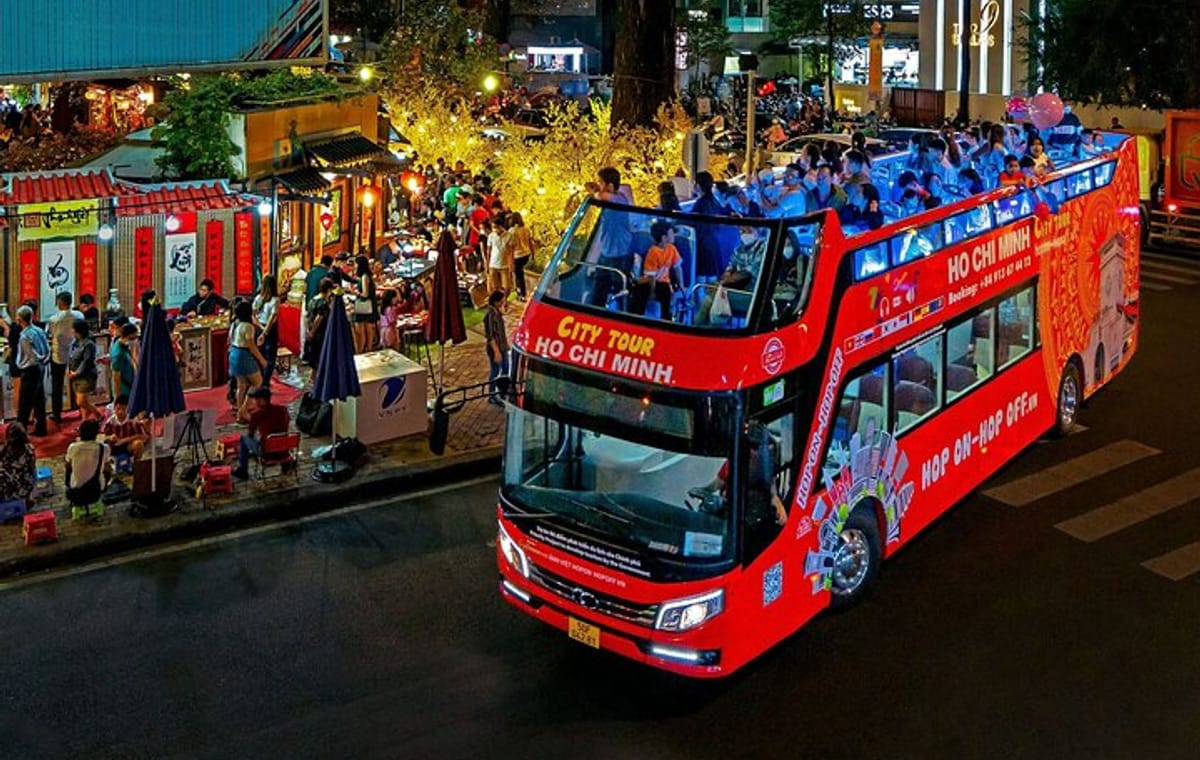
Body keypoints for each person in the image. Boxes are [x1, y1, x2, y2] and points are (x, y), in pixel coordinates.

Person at [585, 167, 634, 307]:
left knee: (621, 294)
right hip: (607, 253)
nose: (599, 186)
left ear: (610, 186)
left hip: (621, 254)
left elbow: (601, 196)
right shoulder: (609, 201)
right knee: (598, 292)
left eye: (601, 182)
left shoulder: (620, 199)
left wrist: (595, 192)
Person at [231, 386, 291, 480]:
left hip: (267, 453)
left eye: (256, 399)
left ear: (262, 400)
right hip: (284, 451)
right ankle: (285, 465)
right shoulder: (282, 410)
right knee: (278, 437)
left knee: (243, 440)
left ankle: (243, 470)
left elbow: (250, 433)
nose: (254, 401)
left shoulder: (257, 414)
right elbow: (286, 424)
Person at [630, 220, 683, 320]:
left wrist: (681, 285)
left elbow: (678, 268)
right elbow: (651, 277)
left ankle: (666, 320)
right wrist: (652, 293)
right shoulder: (653, 252)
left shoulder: (672, 249)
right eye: (671, 233)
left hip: (663, 282)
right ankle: (635, 319)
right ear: (664, 238)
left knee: (666, 294)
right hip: (649, 282)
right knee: (640, 293)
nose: (674, 235)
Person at [47, 291, 84, 423]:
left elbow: (50, 335)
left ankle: (57, 414)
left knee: (57, 385)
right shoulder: (79, 315)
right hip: (76, 353)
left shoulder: (54, 319)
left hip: (59, 355)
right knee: (77, 382)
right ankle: (80, 409)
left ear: (60, 303)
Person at [229, 300, 267, 424]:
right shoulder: (248, 326)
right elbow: (251, 346)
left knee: (242, 385)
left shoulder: (235, 323)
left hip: (234, 353)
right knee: (257, 382)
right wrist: (262, 360)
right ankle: (243, 410)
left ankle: (240, 413)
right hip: (243, 354)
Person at [14, 305, 49, 437]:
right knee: (39, 399)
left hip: (30, 369)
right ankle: (41, 427)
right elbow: (47, 349)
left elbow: (31, 355)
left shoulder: (24, 336)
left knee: (25, 402)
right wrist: (44, 360)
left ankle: (20, 431)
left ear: (19, 319)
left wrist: (38, 359)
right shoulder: (39, 330)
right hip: (40, 368)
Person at [65, 418, 108, 508]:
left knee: (69, 467)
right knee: (107, 468)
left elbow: (68, 465)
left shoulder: (73, 447)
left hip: (75, 492)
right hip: (95, 492)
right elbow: (106, 467)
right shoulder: (104, 448)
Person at [67, 318, 101, 422]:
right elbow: (71, 356)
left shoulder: (88, 344)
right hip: (74, 374)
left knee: (81, 401)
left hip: (86, 376)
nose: (71, 330)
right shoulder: (75, 341)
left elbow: (86, 362)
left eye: (73, 328)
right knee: (82, 400)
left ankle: (97, 413)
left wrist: (76, 373)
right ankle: (84, 421)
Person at [102, 394, 148, 460]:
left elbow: (142, 435)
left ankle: (136, 464)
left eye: (123, 409)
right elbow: (104, 436)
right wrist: (110, 437)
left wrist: (124, 440)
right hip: (115, 446)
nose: (120, 412)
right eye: (118, 409)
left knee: (139, 444)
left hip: (128, 446)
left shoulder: (133, 420)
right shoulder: (110, 421)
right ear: (114, 408)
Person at [253, 274, 280, 384]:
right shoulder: (275, 300)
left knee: (259, 355)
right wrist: (264, 333)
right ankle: (265, 382)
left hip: (258, 328)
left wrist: (260, 328)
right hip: (269, 330)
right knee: (270, 357)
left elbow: (253, 316)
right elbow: (272, 318)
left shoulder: (258, 298)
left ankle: (259, 380)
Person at [0, 422, 36, 506]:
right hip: (28, 484)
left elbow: (8, 473)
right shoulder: (29, 448)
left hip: (13, 489)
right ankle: (27, 498)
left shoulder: (9, 453)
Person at [483, 290, 509, 405]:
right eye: (502, 300)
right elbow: (490, 336)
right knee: (495, 371)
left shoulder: (497, 312)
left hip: (502, 346)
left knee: (505, 369)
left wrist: (506, 343)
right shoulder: (490, 315)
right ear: (496, 301)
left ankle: (503, 391)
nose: (504, 302)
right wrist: (496, 352)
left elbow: (501, 331)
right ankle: (492, 394)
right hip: (496, 348)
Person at [303, 277, 335, 372]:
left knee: (313, 357)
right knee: (319, 357)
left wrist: (309, 330)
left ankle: (313, 379)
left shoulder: (313, 299)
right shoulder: (323, 303)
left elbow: (308, 316)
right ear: (329, 290)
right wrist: (313, 331)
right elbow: (319, 318)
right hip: (319, 333)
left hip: (311, 331)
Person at [351, 255, 378, 354]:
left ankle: (361, 350)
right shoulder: (368, 276)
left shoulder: (364, 277)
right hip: (370, 305)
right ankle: (368, 348)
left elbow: (365, 294)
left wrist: (356, 292)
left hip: (364, 306)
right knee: (368, 329)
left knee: (361, 331)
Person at [507, 212, 535, 301]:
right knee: (521, 274)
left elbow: (510, 248)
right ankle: (521, 293)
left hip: (517, 255)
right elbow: (530, 242)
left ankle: (522, 294)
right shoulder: (526, 229)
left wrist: (510, 262)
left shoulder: (512, 231)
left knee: (519, 276)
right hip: (526, 253)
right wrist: (533, 254)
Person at [109, 322, 138, 399]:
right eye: (134, 337)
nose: (135, 339)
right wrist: (118, 397)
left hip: (129, 386)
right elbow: (116, 377)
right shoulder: (118, 353)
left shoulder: (124, 346)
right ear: (129, 335)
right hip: (123, 390)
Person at [486, 215, 513, 296]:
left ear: (500, 226)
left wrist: (511, 265)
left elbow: (510, 252)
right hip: (493, 265)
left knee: (507, 287)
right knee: (494, 287)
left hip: (504, 266)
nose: (494, 229)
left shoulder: (508, 236)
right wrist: (487, 264)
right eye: (493, 227)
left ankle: (504, 301)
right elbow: (488, 252)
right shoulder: (491, 236)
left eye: (495, 227)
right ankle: (497, 304)